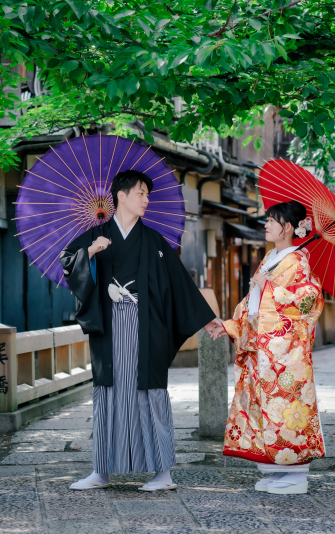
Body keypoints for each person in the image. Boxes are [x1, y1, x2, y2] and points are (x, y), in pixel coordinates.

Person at [60, 169, 224, 491]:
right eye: (140, 193)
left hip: (145, 328)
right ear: (120, 196)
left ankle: (162, 473)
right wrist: (91, 252)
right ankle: (102, 471)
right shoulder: (97, 235)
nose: (146, 200)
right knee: (108, 395)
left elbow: (179, 284)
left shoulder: (153, 240)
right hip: (108, 329)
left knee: (149, 395)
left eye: (147, 195)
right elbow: (68, 262)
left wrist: (207, 319)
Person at [213, 200, 325, 494]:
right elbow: (251, 304)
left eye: (271, 221)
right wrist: (230, 324)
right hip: (263, 354)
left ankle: (295, 476)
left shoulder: (298, 261)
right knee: (263, 411)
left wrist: (271, 288)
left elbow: (307, 300)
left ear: (287, 227)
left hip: (285, 358)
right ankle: (274, 471)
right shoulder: (270, 258)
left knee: (286, 410)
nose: (266, 225)